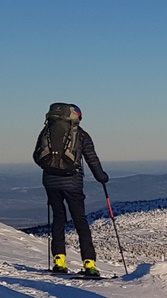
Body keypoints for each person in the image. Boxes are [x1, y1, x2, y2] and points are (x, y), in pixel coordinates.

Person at [32, 103, 109, 277]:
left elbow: (37, 156)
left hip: (50, 182)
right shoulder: (81, 135)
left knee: (58, 218)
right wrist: (102, 177)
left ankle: (59, 262)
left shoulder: (47, 131)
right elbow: (92, 159)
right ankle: (89, 264)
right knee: (80, 221)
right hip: (72, 183)